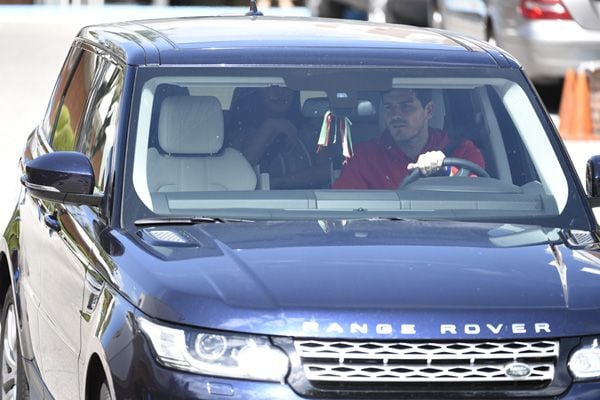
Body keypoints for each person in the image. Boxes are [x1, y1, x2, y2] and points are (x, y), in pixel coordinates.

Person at [332, 88, 485, 189]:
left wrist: (444, 169)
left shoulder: (462, 151)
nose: (396, 115)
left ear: (429, 111)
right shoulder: (363, 157)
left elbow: (478, 196)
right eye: (388, 107)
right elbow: (343, 213)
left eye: (406, 106)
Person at [227, 85, 334, 189]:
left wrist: (279, 182)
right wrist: (269, 128)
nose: (279, 93)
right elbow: (237, 175)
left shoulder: (311, 130)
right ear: (257, 92)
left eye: (285, 86)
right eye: (270, 86)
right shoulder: (241, 133)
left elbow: (328, 171)